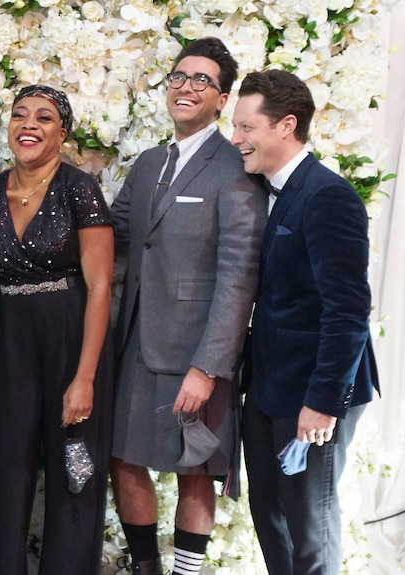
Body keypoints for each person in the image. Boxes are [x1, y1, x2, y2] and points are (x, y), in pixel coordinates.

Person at [108, 37, 266, 575]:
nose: (187, 86)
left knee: (195, 469)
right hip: (135, 341)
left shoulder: (236, 167)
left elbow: (239, 275)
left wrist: (208, 367)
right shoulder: (151, 162)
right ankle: (146, 567)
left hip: (196, 351)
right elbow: (113, 234)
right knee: (124, 460)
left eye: (202, 80)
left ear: (222, 100)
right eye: (179, 76)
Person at [232, 70, 379, 575]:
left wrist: (321, 403)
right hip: (270, 388)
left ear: (285, 126)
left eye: (246, 127)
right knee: (269, 517)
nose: (237, 139)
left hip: (313, 393)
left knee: (308, 529)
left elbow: (349, 310)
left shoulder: (327, 196)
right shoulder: (271, 190)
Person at [0, 85, 114, 575]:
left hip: (72, 337)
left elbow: (99, 287)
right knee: (10, 471)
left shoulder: (80, 189)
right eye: (20, 115)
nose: (29, 124)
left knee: (76, 472)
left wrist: (86, 377)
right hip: (13, 341)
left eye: (44, 118)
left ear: (62, 133)